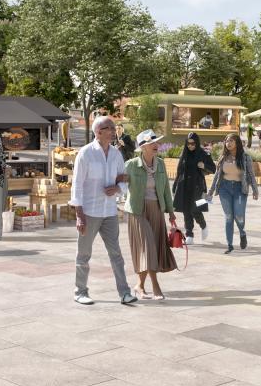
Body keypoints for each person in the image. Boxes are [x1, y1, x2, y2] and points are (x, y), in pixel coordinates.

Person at [71, 115, 136, 305]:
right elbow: (77, 186)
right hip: (89, 212)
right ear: (99, 132)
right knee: (83, 254)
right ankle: (80, 291)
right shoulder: (85, 153)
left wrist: (117, 189)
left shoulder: (116, 154)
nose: (114, 131)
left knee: (116, 254)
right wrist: (79, 215)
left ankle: (124, 293)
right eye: (110, 127)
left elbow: (124, 179)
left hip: (109, 212)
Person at [125, 129, 179, 300]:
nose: (157, 145)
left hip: (156, 210)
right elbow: (118, 183)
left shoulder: (161, 164)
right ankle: (156, 286)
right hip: (137, 211)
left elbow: (166, 191)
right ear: (143, 147)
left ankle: (139, 286)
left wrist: (170, 212)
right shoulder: (131, 165)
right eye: (152, 143)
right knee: (147, 246)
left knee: (150, 248)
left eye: (157, 142)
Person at [208, 133, 258, 253]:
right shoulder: (223, 157)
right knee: (229, 217)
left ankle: (242, 233)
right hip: (224, 189)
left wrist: (255, 190)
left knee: (239, 216)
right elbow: (217, 175)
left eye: (231, 141)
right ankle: (229, 245)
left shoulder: (245, 157)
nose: (228, 143)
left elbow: (251, 174)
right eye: (226, 141)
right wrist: (211, 191)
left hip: (240, 189)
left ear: (237, 143)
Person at [171, 132, 215, 245]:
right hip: (184, 186)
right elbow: (179, 171)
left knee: (196, 210)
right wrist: (175, 185)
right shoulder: (184, 154)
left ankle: (203, 225)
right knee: (186, 210)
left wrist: (204, 166)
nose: (190, 146)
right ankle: (189, 234)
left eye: (192, 144)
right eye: (188, 143)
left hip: (198, 187)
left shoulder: (203, 154)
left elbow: (213, 168)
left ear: (197, 143)